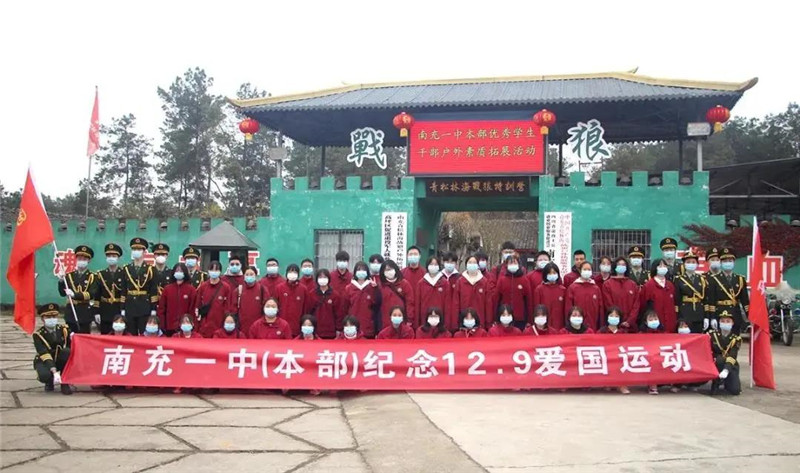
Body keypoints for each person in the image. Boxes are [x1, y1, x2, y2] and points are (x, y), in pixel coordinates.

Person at [706, 248, 749, 335]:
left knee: (734, 338)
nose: (728, 263)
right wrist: (712, 318)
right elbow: (711, 301)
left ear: (734, 262)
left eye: (730, 261)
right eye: (725, 261)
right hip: (720, 313)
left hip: (735, 313)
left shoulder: (740, 279)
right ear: (721, 263)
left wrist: (749, 316)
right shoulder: (714, 279)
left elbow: (745, 301)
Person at [120, 238, 158, 335]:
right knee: (130, 334)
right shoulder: (126, 269)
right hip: (130, 305)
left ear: (144, 252)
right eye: (134, 249)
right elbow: (123, 290)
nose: (136, 251)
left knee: (144, 333)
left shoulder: (150, 269)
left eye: (139, 249)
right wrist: (122, 308)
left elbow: (153, 291)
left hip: (144, 305)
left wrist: (153, 309)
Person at [33, 304, 73, 395]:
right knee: (44, 375)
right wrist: (54, 371)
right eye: (48, 317)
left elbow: (71, 344)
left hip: (60, 358)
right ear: (42, 319)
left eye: (54, 316)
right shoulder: (38, 334)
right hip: (46, 360)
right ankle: (49, 380)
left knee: (67, 351)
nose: (52, 319)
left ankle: (64, 382)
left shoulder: (64, 329)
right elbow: (44, 353)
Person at [57, 244, 96, 334]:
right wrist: (61, 281)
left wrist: (75, 295)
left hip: (84, 312)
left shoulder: (93, 276)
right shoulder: (69, 275)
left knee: (84, 337)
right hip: (71, 311)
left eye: (84, 259)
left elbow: (91, 294)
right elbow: (62, 293)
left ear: (89, 260)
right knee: (70, 337)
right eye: (79, 259)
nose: (81, 261)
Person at [673, 250, 709, 334]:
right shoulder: (679, 279)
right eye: (688, 262)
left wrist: (706, 316)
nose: (691, 264)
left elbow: (706, 299)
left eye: (693, 262)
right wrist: (678, 317)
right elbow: (677, 300)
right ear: (684, 264)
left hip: (699, 313)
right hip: (685, 313)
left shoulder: (702, 279)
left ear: (697, 264)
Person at [195, 261, 233, 338]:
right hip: (205, 326)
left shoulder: (226, 287)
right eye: (212, 269)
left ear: (220, 271)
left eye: (216, 270)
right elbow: (198, 306)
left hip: (220, 326)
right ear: (208, 271)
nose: (214, 272)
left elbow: (228, 307)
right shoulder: (203, 286)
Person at [453, 255, 494, 327]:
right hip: (464, 321)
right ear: (466, 265)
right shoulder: (460, 282)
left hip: (480, 322)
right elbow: (456, 303)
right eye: (470, 262)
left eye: (474, 263)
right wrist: (455, 323)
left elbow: (488, 304)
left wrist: (488, 322)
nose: (472, 264)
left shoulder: (484, 282)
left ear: (478, 265)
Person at [602, 257, 640, 332]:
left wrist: (629, 321)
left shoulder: (633, 285)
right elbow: (608, 304)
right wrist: (616, 318)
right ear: (615, 267)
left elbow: (636, 305)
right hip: (614, 324)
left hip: (630, 326)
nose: (621, 266)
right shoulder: (607, 284)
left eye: (623, 265)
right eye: (619, 264)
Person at [157, 263, 196, 337]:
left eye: (181, 271)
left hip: (185, 327)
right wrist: (162, 325)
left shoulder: (191, 289)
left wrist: (191, 323)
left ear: (185, 272)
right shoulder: (167, 289)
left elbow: (192, 309)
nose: (179, 272)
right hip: (169, 326)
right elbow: (162, 309)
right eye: (177, 271)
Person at [343, 262, 381, 338]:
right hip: (352, 328)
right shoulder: (349, 288)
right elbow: (345, 308)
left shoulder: (372, 287)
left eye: (363, 270)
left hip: (369, 327)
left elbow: (377, 305)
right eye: (359, 270)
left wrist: (375, 289)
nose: (361, 272)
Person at [597, 306, 630, 394]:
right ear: (607, 317)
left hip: (619, 355)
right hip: (606, 355)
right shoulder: (602, 331)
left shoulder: (623, 331)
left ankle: (622, 385)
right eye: (611, 316)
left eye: (616, 316)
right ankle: (608, 383)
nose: (614, 318)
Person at [495, 253, 532, 330]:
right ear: (506, 265)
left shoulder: (524, 280)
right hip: (504, 317)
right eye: (510, 263)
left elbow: (528, 300)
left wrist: (529, 320)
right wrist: (495, 317)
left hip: (520, 318)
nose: (513, 265)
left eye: (515, 262)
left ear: (519, 264)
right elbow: (497, 299)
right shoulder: (502, 280)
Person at [639, 258, 678, 333]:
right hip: (655, 325)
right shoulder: (648, 286)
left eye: (664, 266)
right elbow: (643, 306)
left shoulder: (670, 285)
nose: (663, 267)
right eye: (660, 266)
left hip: (670, 324)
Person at [709, 310, 742, 395]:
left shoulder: (735, 339)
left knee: (735, 390)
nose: (725, 323)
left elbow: (733, 355)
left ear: (732, 323)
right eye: (722, 321)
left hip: (730, 364)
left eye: (728, 321)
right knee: (720, 359)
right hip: (716, 363)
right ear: (719, 323)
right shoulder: (712, 335)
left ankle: (726, 382)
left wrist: (726, 370)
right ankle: (716, 382)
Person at [94, 243, 124, 335]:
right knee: (105, 335)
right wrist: (96, 312)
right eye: (109, 256)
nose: (111, 258)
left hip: (118, 309)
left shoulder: (123, 273)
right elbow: (97, 295)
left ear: (118, 258)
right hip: (105, 310)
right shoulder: (101, 274)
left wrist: (124, 310)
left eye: (114, 256)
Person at [378, 260, 416, 330]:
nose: (389, 271)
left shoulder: (404, 284)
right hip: (385, 323)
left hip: (402, 320)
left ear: (395, 269)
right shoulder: (380, 286)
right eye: (386, 270)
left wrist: (410, 319)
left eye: (390, 269)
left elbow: (410, 303)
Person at [565, 262, 603, 330]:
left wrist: (600, 325)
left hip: (593, 326)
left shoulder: (596, 288)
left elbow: (600, 309)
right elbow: (568, 308)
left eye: (589, 269)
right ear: (580, 271)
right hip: (576, 326)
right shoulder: (572, 288)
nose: (587, 271)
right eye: (585, 269)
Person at [275, 264, 310, 337]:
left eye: (295, 272)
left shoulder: (303, 289)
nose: (292, 274)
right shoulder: (279, 288)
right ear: (286, 273)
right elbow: (275, 307)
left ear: (298, 274)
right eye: (290, 272)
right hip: (281, 327)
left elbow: (306, 309)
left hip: (297, 328)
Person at [307, 269, 344, 339]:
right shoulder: (311, 294)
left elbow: (339, 314)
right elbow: (308, 313)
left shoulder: (335, 295)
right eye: (320, 277)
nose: (322, 279)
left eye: (325, 277)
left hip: (331, 332)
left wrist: (338, 329)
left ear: (329, 279)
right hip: (316, 332)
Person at [416, 256, 451, 330]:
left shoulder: (445, 283)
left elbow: (448, 305)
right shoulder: (421, 283)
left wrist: (447, 324)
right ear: (427, 266)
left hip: (440, 320)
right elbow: (418, 304)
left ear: (439, 266)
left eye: (435, 264)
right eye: (431, 264)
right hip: (424, 319)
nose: (433, 266)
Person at [234, 266, 269, 334]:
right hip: (242, 328)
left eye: (251, 274)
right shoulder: (238, 290)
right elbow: (233, 310)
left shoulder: (262, 289)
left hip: (259, 328)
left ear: (256, 275)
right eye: (247, 274)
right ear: (244, 276)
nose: (249, 276)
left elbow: (267, 308)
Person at [533, 263, 566, 331]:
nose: (552, 275)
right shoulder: (539, 289)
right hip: (543, 326)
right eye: (549, 273)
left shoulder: (563, 290)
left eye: (554, 273)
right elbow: (536, 308)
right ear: (545, 275)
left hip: (559, 326)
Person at [640, 309, 665, 395]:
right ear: (646, 322)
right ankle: (652, 385)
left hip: (661, 354)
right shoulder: (641, 334)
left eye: (655, 319)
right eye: (650, 320)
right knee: (653, 361)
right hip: (648, 356)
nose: (654, 321)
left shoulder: (664, 333)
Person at [441, 252, 461, 325]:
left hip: (455, 311)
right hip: (441, 310)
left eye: (452, 262)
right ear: (443, 262)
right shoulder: (439, 277)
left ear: (455, 263)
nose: (449, 264)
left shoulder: (459, 278)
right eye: (447, 262)